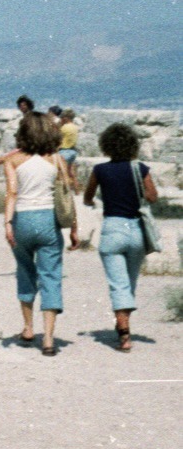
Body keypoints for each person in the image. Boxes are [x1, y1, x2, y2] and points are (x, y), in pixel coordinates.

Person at [3, 112, 76, 356]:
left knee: (24, 271)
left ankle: (27, 327)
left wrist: (7, 223)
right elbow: (67, 195)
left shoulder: (13, 161)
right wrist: (74, 228)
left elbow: (12, 193)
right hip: (48, 220)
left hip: (22, 218)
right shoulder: (57, 160)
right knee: (50, 275)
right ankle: (48, 339)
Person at [83, 123, 159, 353]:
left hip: (112, 228)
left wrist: (93, 201)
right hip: (136, 229)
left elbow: (88, 197)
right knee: (130, 281)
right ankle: (123, 323)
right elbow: (153, 196)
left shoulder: (100, 170)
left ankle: (124, 334)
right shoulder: (141, 169)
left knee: (118, 283)